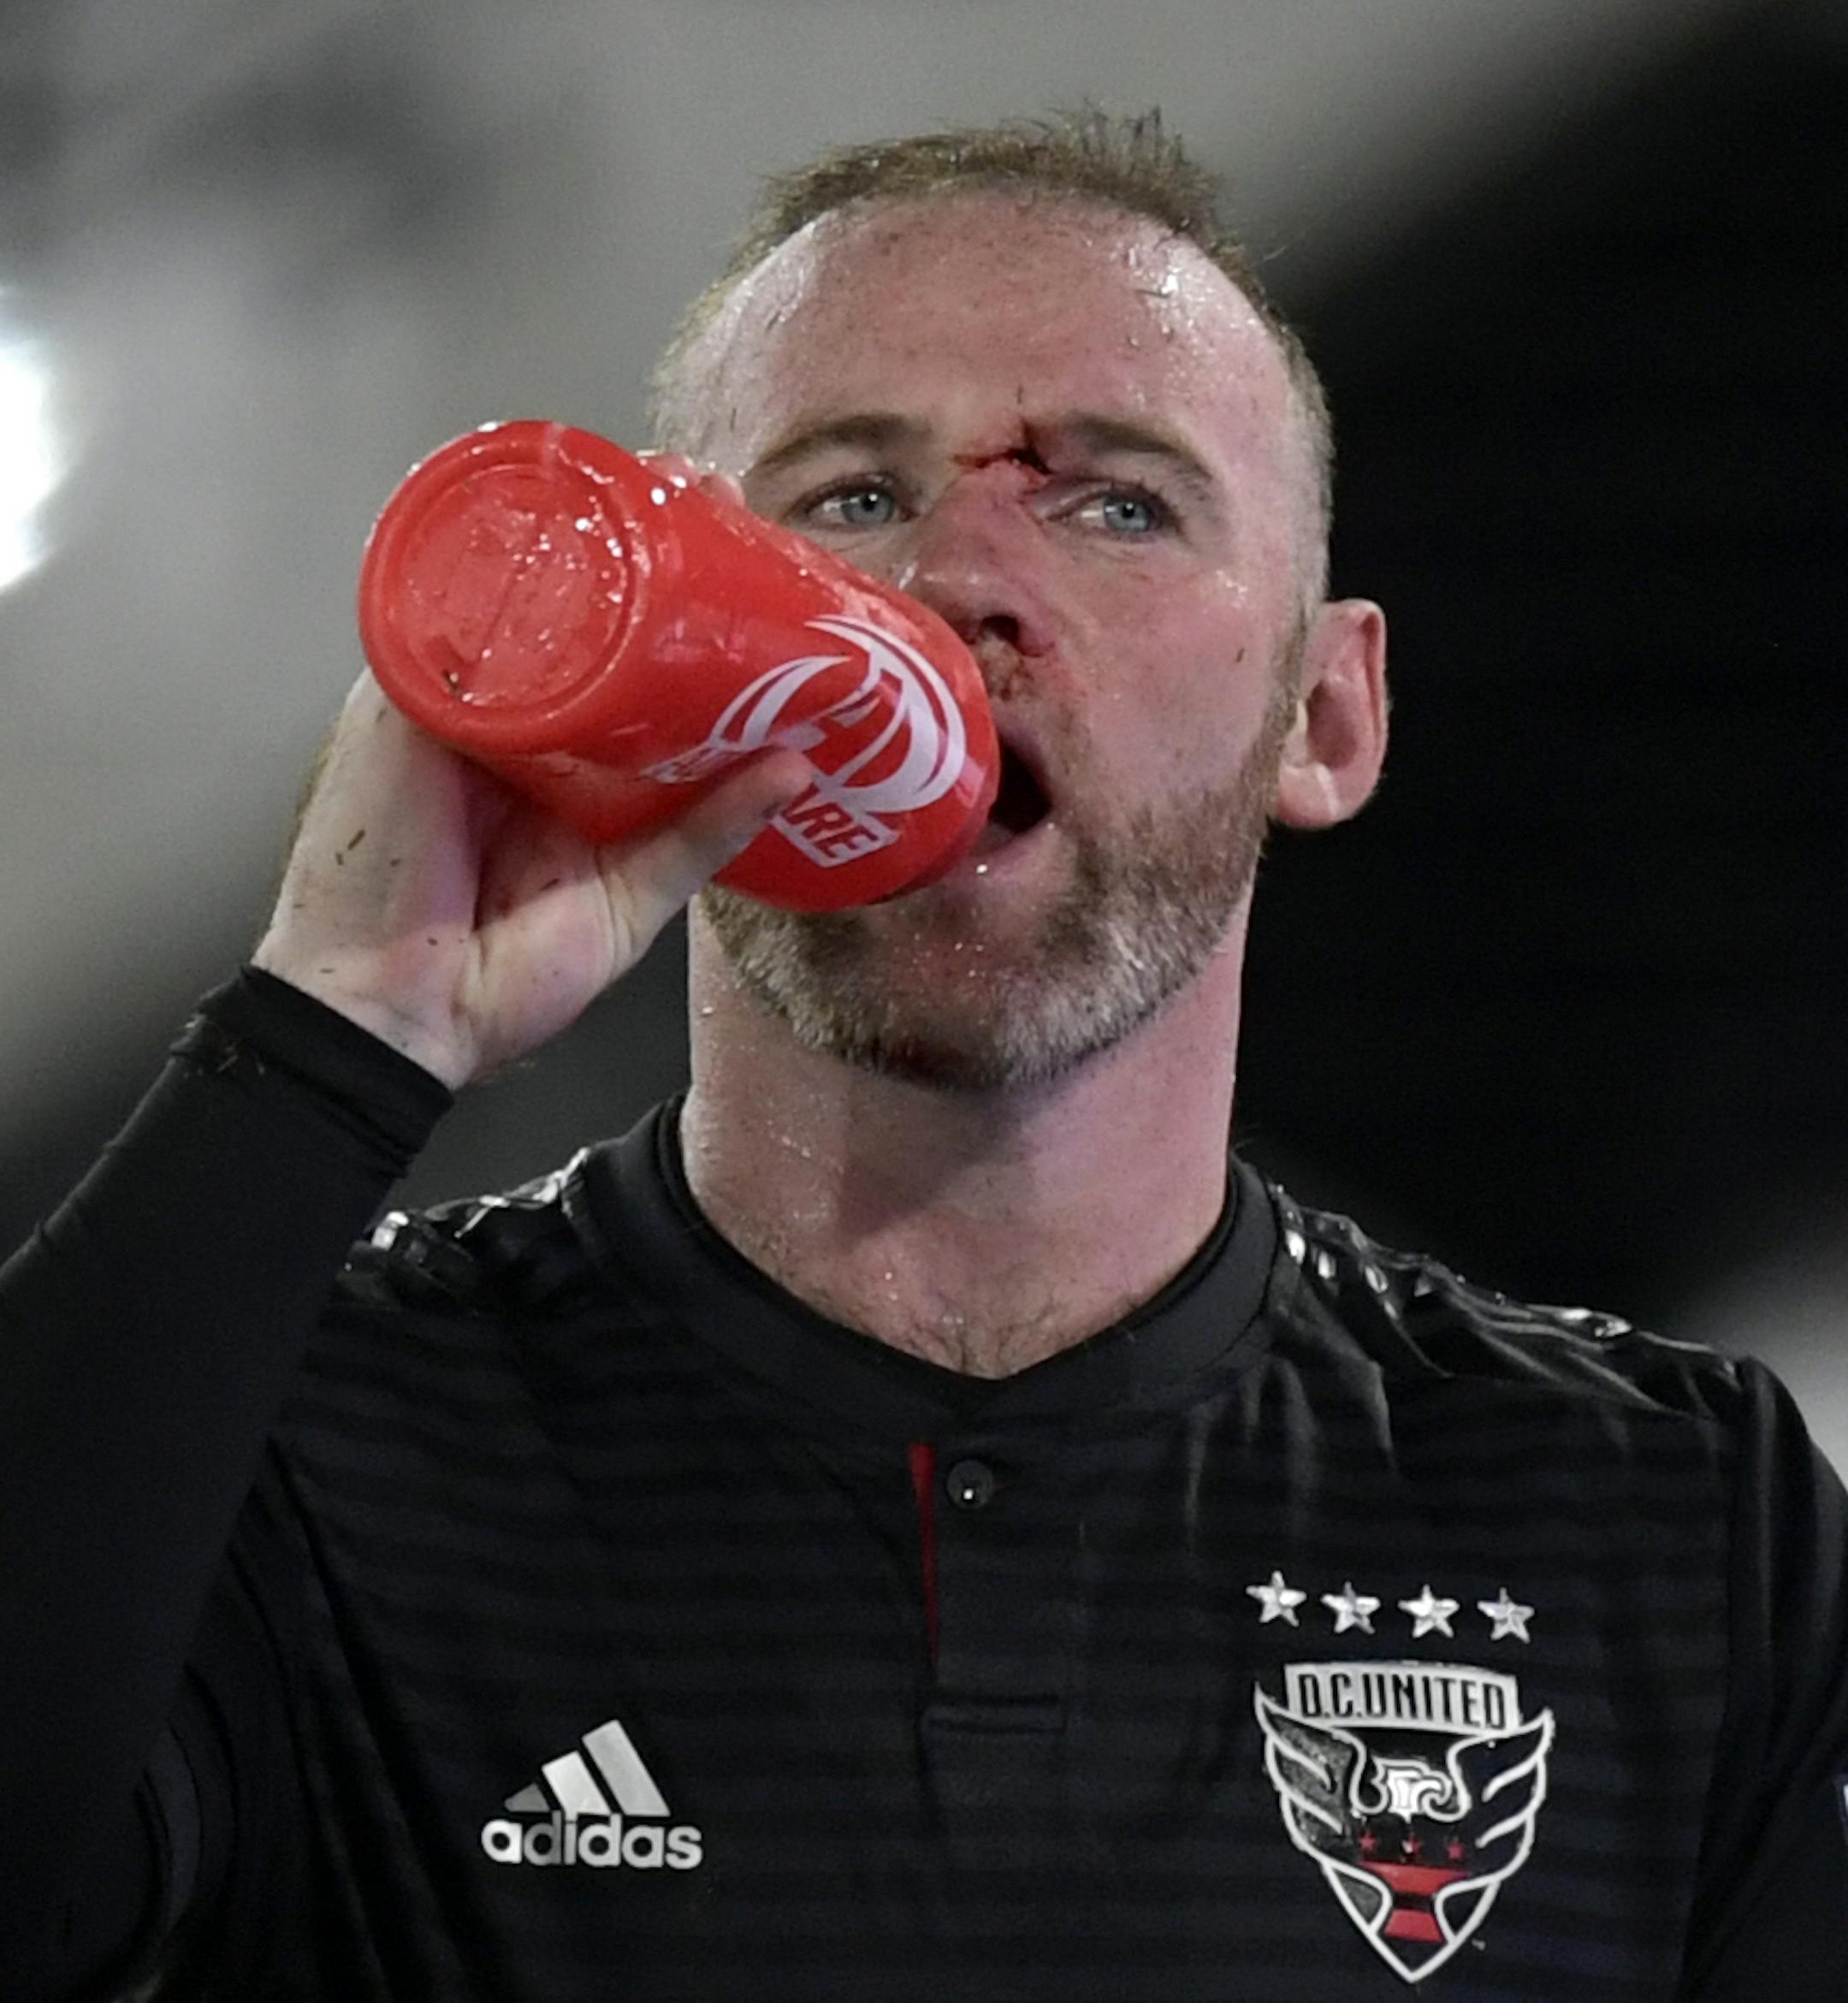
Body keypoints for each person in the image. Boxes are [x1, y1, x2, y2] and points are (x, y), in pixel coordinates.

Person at [1, 109, 1842, 2003]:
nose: (958, 582)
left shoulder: (1667, 1523)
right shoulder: (291, 1440)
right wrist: (331, 1034)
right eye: (850, 499)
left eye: (1119, 500)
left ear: (1327, 709)